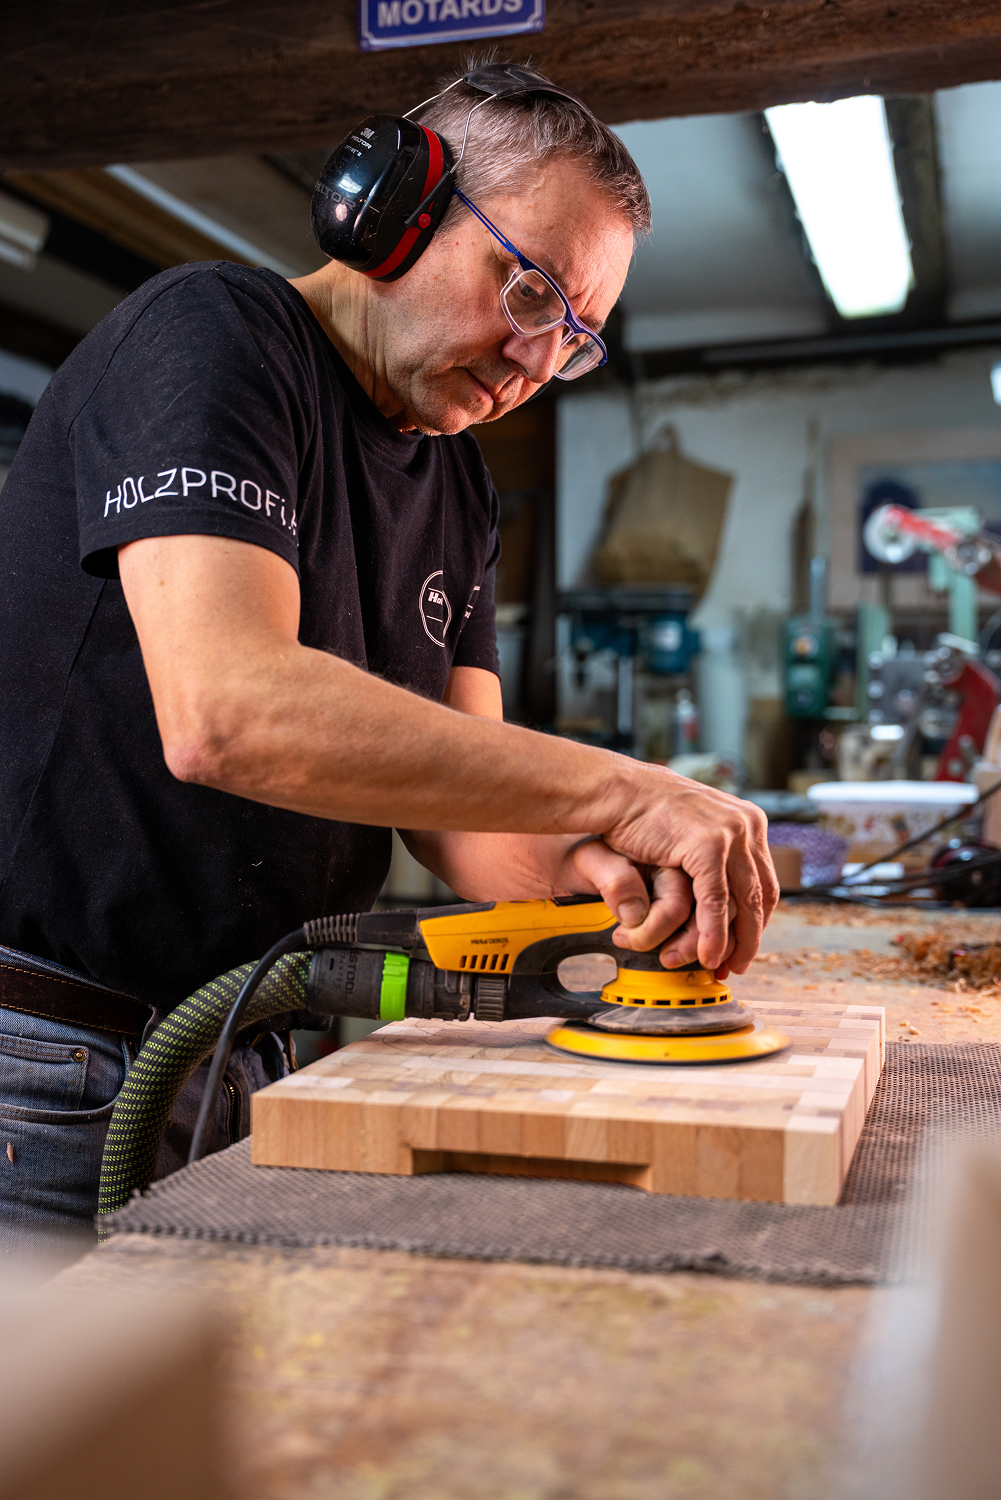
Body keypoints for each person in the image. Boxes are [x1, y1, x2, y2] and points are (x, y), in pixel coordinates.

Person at [0, 63, 777, 1247]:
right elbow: (227, 710)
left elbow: (460, 808)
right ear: (392, 208)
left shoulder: (455, 486)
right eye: (528, 293)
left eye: (573, 340)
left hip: (233, 1050)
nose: (533, 361)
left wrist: (614, 881)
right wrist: (624, 786)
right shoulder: (211, 338)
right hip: (46, 1067)